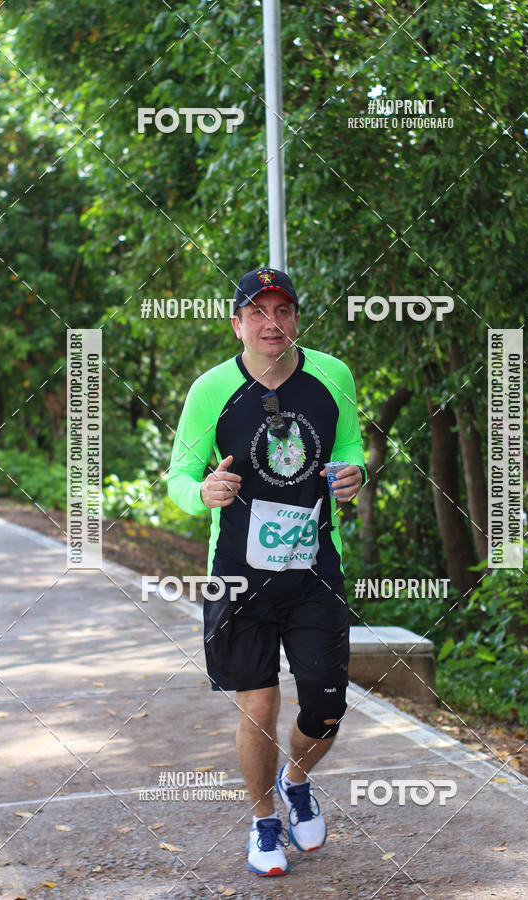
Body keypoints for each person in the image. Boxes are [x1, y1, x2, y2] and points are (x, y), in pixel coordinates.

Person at [167, 266, 367, 876]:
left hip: (314, 574)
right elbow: (178, 476)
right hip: (238, 577)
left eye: (281, 310)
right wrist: (203, 492)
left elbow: (351, 448)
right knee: (258, 708)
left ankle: (296, 778)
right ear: (238, 324)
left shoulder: (333, 377)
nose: (270, 322)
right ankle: (263, 822)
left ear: (296, 320)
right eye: (257, 312)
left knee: (325, 709)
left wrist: (354, 474)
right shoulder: (210, 390)